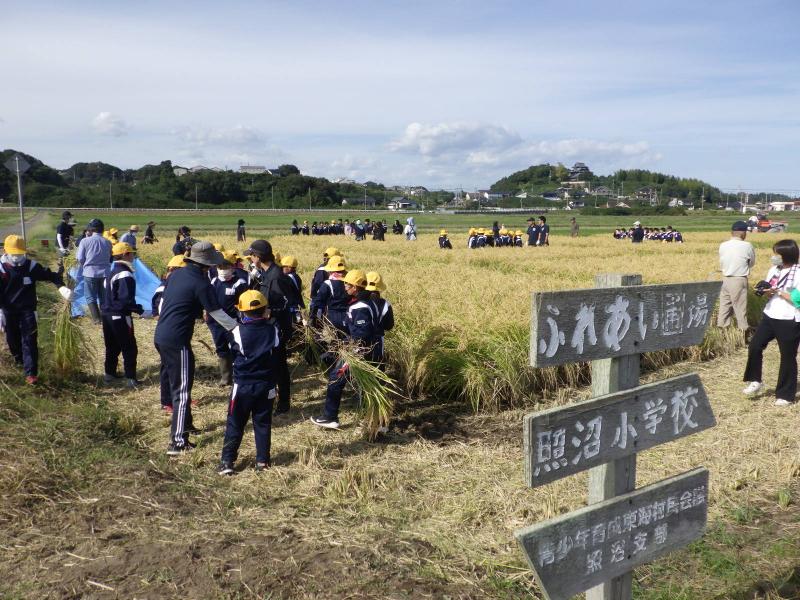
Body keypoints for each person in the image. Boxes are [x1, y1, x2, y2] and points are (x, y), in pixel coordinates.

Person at [155, 241, 239, 455]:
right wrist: (240, 330)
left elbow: (169, 303)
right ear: (208, 265)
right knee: (182, 392)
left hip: (162, 335)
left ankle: (187, 424)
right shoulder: (201, 283)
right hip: (177, 340)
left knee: (183, 380)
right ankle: (177, 442)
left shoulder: (177, 275)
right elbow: (217, 314)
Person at [217, 290, 280, 475]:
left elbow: (231, 353)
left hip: (243, 385)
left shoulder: (236, 332)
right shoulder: (273, 330)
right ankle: (262, 461)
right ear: (265, 310)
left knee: (235, 422)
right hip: (266, 384)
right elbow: (276, 356)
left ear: (242, 312)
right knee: (263, 423)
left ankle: (227, 461)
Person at [310, 269, 379, 429]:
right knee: (363, 386)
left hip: (357, 352)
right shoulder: (366, 302)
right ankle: (370, 418)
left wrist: (350, 348)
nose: (345, 286)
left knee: (335, 379)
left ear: (356, 287)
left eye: (348, 284)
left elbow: (362, 334)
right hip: (360, 349)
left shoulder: (360, 307)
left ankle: (330, 417)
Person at [0, 235, 72, 384]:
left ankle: (31, 373)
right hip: (8, 310)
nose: (17, 257)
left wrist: (61, 287)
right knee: (12, 340)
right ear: (5, 251)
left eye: (20, 254)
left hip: (28, 311)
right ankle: (19, 360)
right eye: (13, 254)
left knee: (29, 339)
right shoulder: (1, 268)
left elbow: (51, 276)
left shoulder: (31, 267)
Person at [742, 239, 800, 406]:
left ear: (787, 255)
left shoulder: (798, 273)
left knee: (787, 356)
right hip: (770, 315)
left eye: (777, 254)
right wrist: (765, 291)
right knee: (755, 345)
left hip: (789, 319)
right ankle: (755, 380)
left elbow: (798, 299)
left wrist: (779, 291)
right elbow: (770, 294)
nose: (774, 257)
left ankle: (785, 394)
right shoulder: (774, 270)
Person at [245, 239, 297, 415]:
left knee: (279, 366)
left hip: (278, 329)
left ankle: (284, 403)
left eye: (251, 255)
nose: (250, 258)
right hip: (269, 327)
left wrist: (270, 311)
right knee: (271, 365)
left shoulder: (277, 276)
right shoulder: (267, 274)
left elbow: (286, 302)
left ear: (258, 257)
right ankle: (273, 398)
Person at [101, 242, 144, 388]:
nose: (133, 256)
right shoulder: (125, 273)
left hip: (107, 314)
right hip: (120, 315)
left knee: (112, 345)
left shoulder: (112, 271)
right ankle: (130, 378)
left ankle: (109, 374)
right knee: (129, 346)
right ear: (126, 255)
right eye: (132, 253)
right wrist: (139, 309)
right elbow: (125, 300)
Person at [208, 250, 249, 386]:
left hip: (233, 322)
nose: (223, 270)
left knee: (237, 347)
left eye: (226, 267)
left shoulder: (240, 283)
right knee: (221, 347)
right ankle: (225, 377)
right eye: (220, 267)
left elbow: (243, 303)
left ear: (232, 267)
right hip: (215, 322)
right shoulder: (214, 281)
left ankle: (239, 374)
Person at [718, 221, 756, 333]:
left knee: (724, 307)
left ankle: (722, 332)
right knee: (740, 308)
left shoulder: (723, 245)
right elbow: (752, 263)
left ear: (732, 232)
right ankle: (743, 333)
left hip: (725, 279)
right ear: (743, 233)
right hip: (739, 279)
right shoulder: (747, 245)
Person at [76, 218, 112, 324]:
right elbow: (110, 257)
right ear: (102, 229)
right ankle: (105, 317)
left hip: (90, 272)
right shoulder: (108, 242)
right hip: (105, 272)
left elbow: (80, 258)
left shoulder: (85, 241)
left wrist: (85, 266)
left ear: (91, 229)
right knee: (103, 296)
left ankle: (96, 319)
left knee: (90, 296)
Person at [309, 255, 349, 333]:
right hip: (348, 318)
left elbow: (318, 303)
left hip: (332, 318)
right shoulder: (349, 282)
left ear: (330, 270)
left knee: (332, 342)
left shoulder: (328, 284)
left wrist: (312, 317)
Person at [365, 271, 394, 366]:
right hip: (378, 339)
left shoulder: (359, 302)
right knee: (377, 364)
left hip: (360, 338)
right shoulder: (386, 304)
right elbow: (389, 326)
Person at [281, 255, 305, 323]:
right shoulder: (296, 276)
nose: (282, 268)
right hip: (296, 308)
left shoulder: (289, 278)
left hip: (292, 309)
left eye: (283, 266)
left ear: (289, 267)